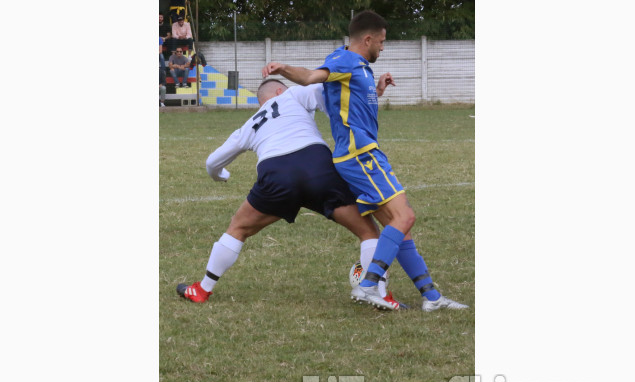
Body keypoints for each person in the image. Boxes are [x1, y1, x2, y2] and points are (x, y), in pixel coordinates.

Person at [262, 10, 468, 312]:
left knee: (401, 228)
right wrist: (282, 68)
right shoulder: (344, 61)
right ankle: (369, 284)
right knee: (404, 218)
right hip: (362, 156)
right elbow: (310, 78)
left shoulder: (356, 66)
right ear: (367, 39)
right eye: (382, 42)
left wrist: (379, 88)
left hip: (360, 154)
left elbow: (352, 103)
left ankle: (431, 297)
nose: (383, 48)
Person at [177, 80, 400, 309]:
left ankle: (202, 289)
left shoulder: (251, 124)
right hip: (317, 166)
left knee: (238, 229)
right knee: (368, 231)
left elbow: (212, 162)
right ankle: (378, 293)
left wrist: (221, 175)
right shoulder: (291, 95)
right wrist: (371, 91)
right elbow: (328, 91)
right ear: (279, 91)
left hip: (277, 175)